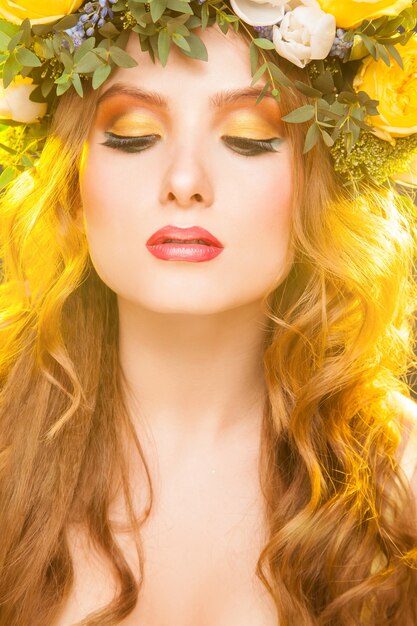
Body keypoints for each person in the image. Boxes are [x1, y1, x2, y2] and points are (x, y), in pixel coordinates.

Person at [0, 2, 417, 625]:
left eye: (247, 138)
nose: (185, 180)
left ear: (316, 185)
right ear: (70, 189)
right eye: (133, 134)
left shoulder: (404, 480)